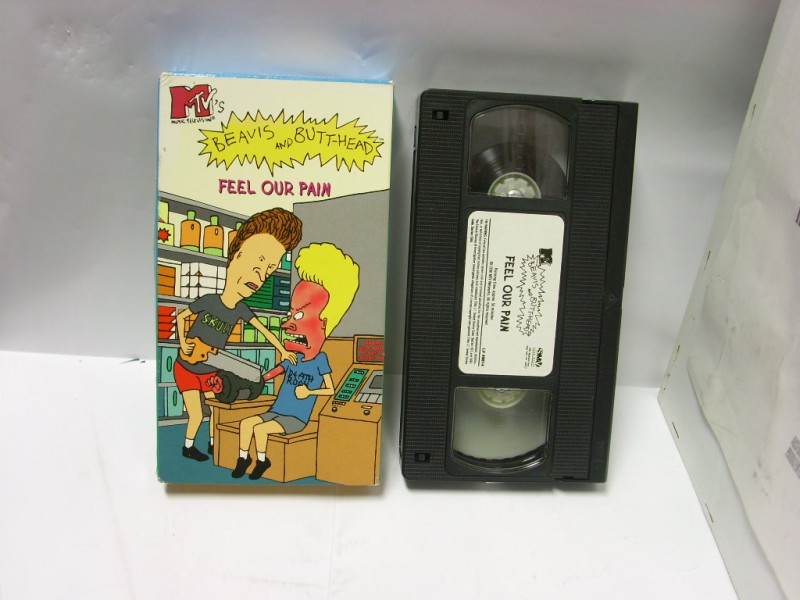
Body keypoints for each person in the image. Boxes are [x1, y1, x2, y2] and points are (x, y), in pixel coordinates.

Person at [174, 207, 302, 461]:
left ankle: (215, 444)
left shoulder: (242, 309)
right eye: (259, 261)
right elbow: (181, 317)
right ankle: (188, 447)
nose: (261, 275)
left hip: (211, 368)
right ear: (237, 253)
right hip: (187, 366)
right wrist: (183, 341)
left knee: (216, 410)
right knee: (196, 414)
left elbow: (264, 331)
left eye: (270, 269)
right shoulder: (209, 300)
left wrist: (282, 350)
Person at [232, 242, 359, 480]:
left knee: (261, 430)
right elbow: (275, 372)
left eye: (299, 315)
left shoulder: (320, 360)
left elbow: (330, 389)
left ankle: (262, 461)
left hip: (296, 419)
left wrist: (308, 392)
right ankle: (243, 458)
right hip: (276, 411)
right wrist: (258, 378)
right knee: (246, 424)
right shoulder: (293, 357)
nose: (287, 323)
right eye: (290, 314)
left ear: (323, 323)